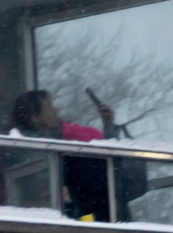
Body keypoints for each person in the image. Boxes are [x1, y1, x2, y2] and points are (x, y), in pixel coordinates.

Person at [12, 88, 143, 222]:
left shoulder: (58, 147)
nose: (55, 111)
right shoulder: (38, 151)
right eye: (50, 107)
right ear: (35, 117)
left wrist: (109, 128)